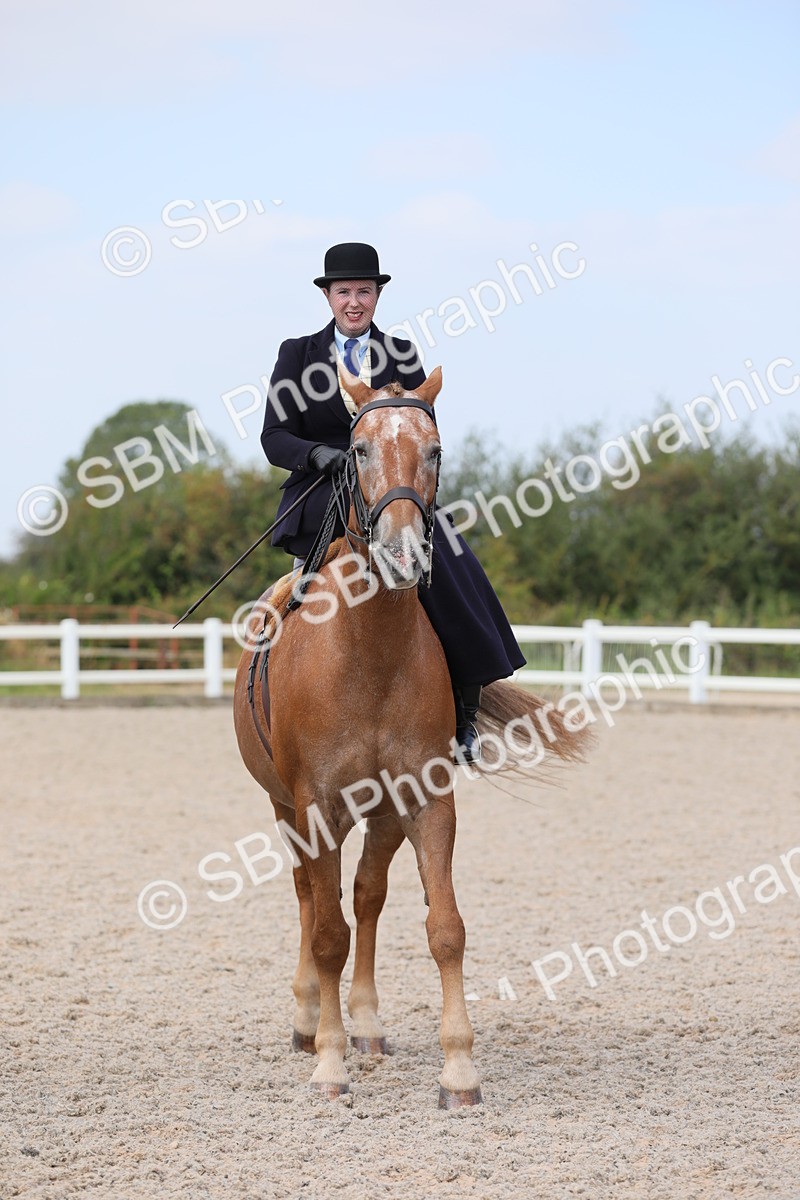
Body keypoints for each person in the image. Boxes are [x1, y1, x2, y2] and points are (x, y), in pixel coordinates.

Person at [260, 242, 525, 762]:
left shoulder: (401, 353)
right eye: (344, 292)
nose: (353, 302)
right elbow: (274, 436)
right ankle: (274, 705)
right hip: (322, 494)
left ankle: (465, 712)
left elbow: (423, 430)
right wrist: (317, 455)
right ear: (328, 297)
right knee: (296, 601)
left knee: (455, 567)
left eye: (363, 292)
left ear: (376, 296)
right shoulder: (297, 354)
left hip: (390, 492)